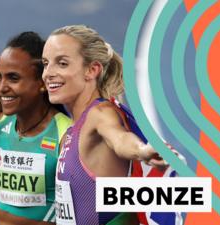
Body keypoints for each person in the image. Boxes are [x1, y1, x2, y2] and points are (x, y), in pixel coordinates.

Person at [41, 25, 167, 225]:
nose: (48, 73)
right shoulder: (71, 131)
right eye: (46, 63)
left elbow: (120, 139)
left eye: (62, 63)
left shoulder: (99, 114)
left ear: (92, 70)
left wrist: (141, 150)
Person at [0, 32, 72, 225]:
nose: (1, 87)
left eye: (13, 78)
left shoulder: (67, 136)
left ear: (42, 83)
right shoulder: (0, 125)